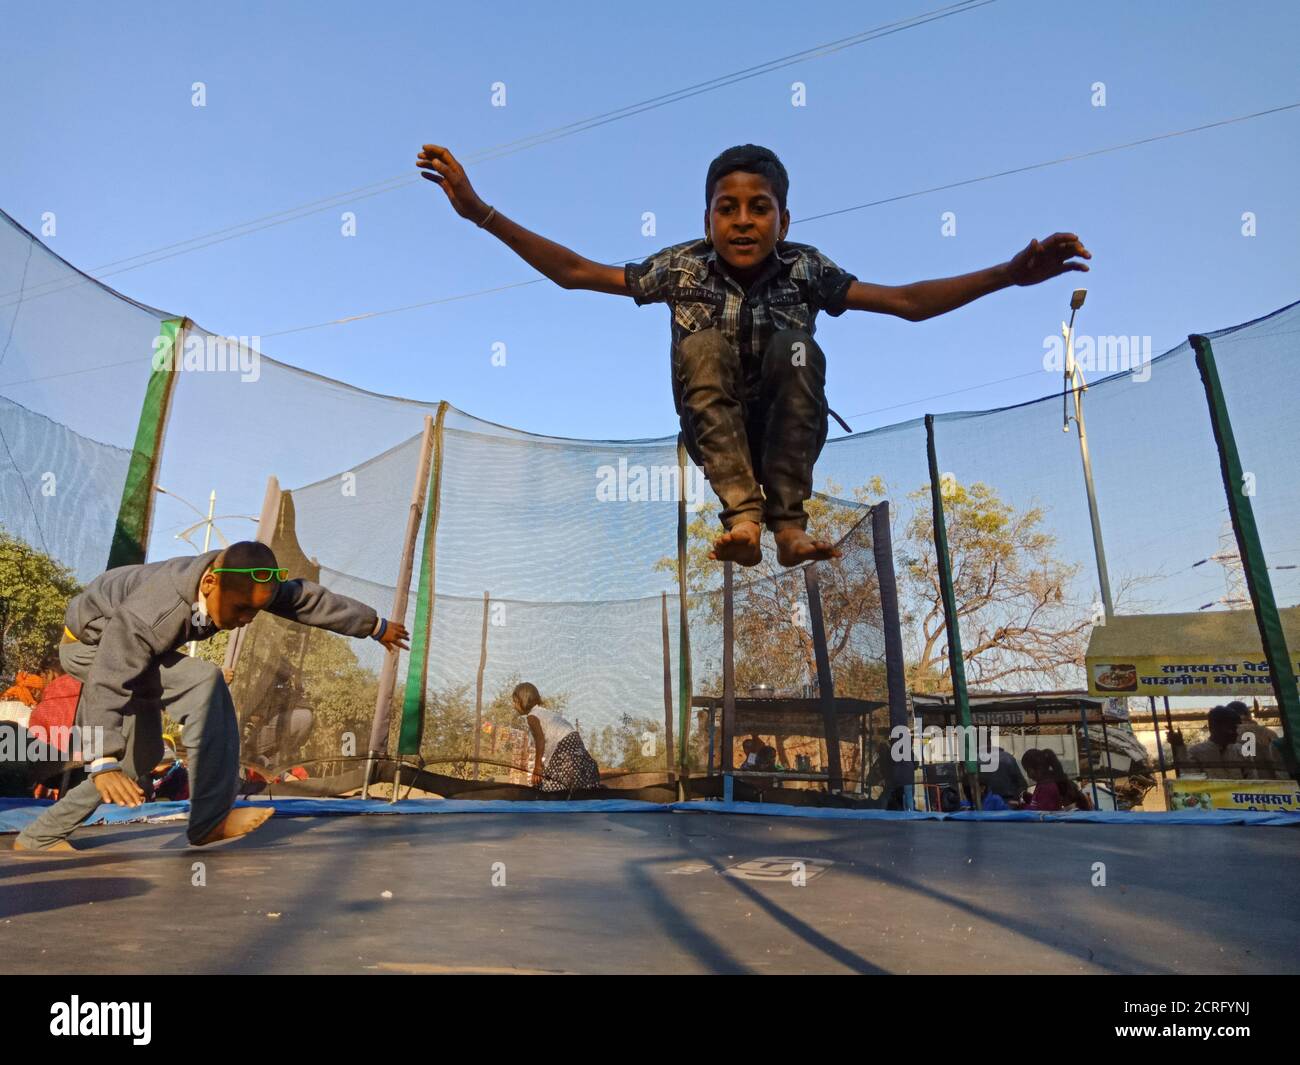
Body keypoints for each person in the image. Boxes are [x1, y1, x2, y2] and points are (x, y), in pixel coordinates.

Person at [415, 142, 1089, 568]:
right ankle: (743, 514)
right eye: (727, 208)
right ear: (707, 219)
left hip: (787, 419)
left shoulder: (806, 269)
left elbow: (908, 301)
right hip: (717, 425)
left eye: (759, 208)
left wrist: (1007, 273)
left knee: (797, 346)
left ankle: (788, 525)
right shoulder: (681, 268)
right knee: (704, 343)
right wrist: (480, 211)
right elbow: (574, 271)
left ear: (783, 221)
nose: (743, 221)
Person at [14, 541, 408, 853]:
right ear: (209, 583)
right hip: (91, 647)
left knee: (141, 761)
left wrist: (374, 625)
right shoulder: (155, 609)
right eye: (239, 609)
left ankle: (40, 835)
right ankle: (208, 822)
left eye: (255, 612)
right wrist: (101, 760)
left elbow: (307, 599)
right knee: (204, 681)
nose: (244, 620)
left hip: (137, 652)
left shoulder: (244, 581)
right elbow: (108, 677)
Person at [511, 682, 601, 794]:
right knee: (573, 779)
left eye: (515, 702)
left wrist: (537, 767)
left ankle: (555, 802)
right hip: (574, 740)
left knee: (552, 785)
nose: (513, 706)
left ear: (524, 701)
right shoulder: (543, 712)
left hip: (564, 745)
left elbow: (540, 741)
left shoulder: (532, 717)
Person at [1167, 705, 1271, 780]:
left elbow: (1253, 782)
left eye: (1236, 728)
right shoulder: (1196, 753)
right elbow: (1192, 782)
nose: (1235, 733)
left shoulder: (1242, 751)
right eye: (1231, 728)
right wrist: (1179, 747)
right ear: (1217, 728)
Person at [1020, 748, 1092, 811]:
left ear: (1038, 769)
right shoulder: (1042, 784)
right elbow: (1040, 803)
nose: (1028, 775)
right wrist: (1028, 797)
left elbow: (1041, 812)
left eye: (1028, 770)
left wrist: (1020, 806)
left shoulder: (1047, 786)